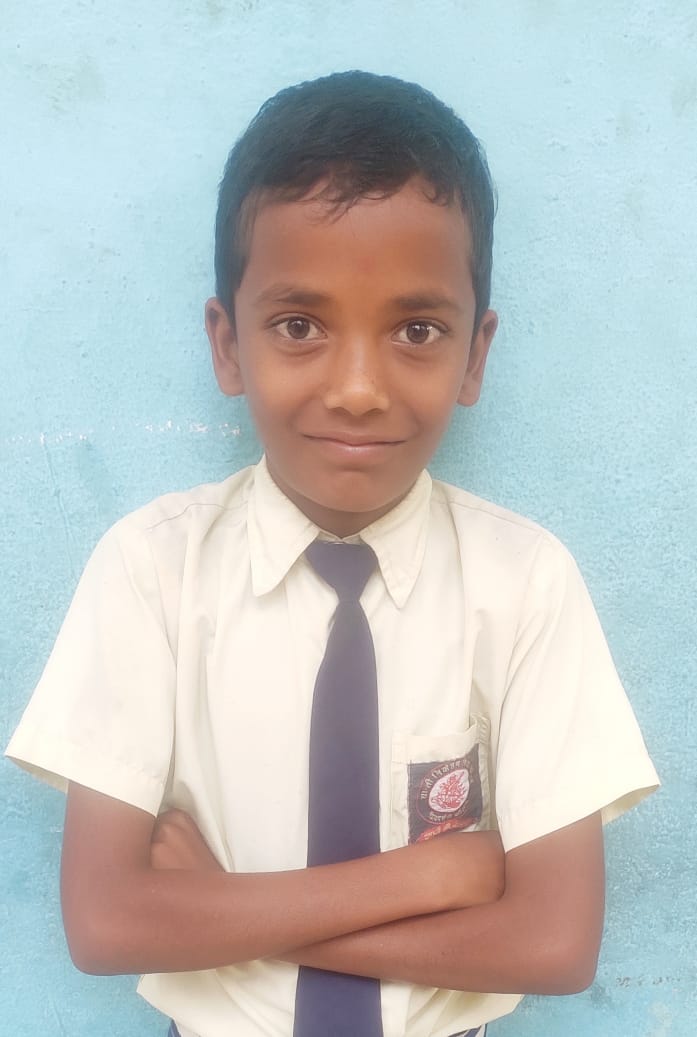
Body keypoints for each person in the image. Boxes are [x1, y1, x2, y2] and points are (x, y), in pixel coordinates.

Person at [6, 71, 659, 1037]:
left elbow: (553, 943)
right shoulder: (151, 570)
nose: (357, 388)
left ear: (475, 355)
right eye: (299, 326)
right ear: (228, 346)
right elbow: (107, 924)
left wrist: (221, 910)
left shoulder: (523, 583)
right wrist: (428, 878)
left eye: (416, 329)